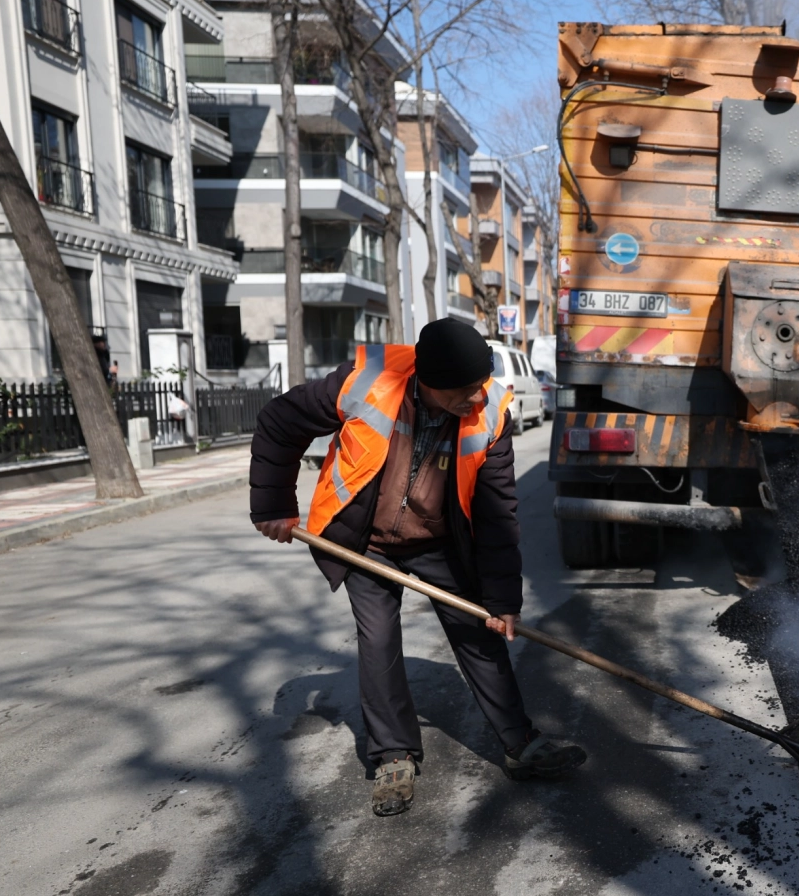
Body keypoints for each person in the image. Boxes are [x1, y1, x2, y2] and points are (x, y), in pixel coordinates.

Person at [249, 318, 586, 817]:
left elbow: (497, 513)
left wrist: (501, 601)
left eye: (480, 386)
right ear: (429, 381)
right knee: (379, 641)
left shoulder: (490, 413)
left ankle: (521, 745)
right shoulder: (366, 383)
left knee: (480, 630)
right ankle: (393, 757)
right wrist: (274, 504)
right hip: (365, 543)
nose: (476, 399)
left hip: (442, 540)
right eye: (464, 391)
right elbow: (280, 421)